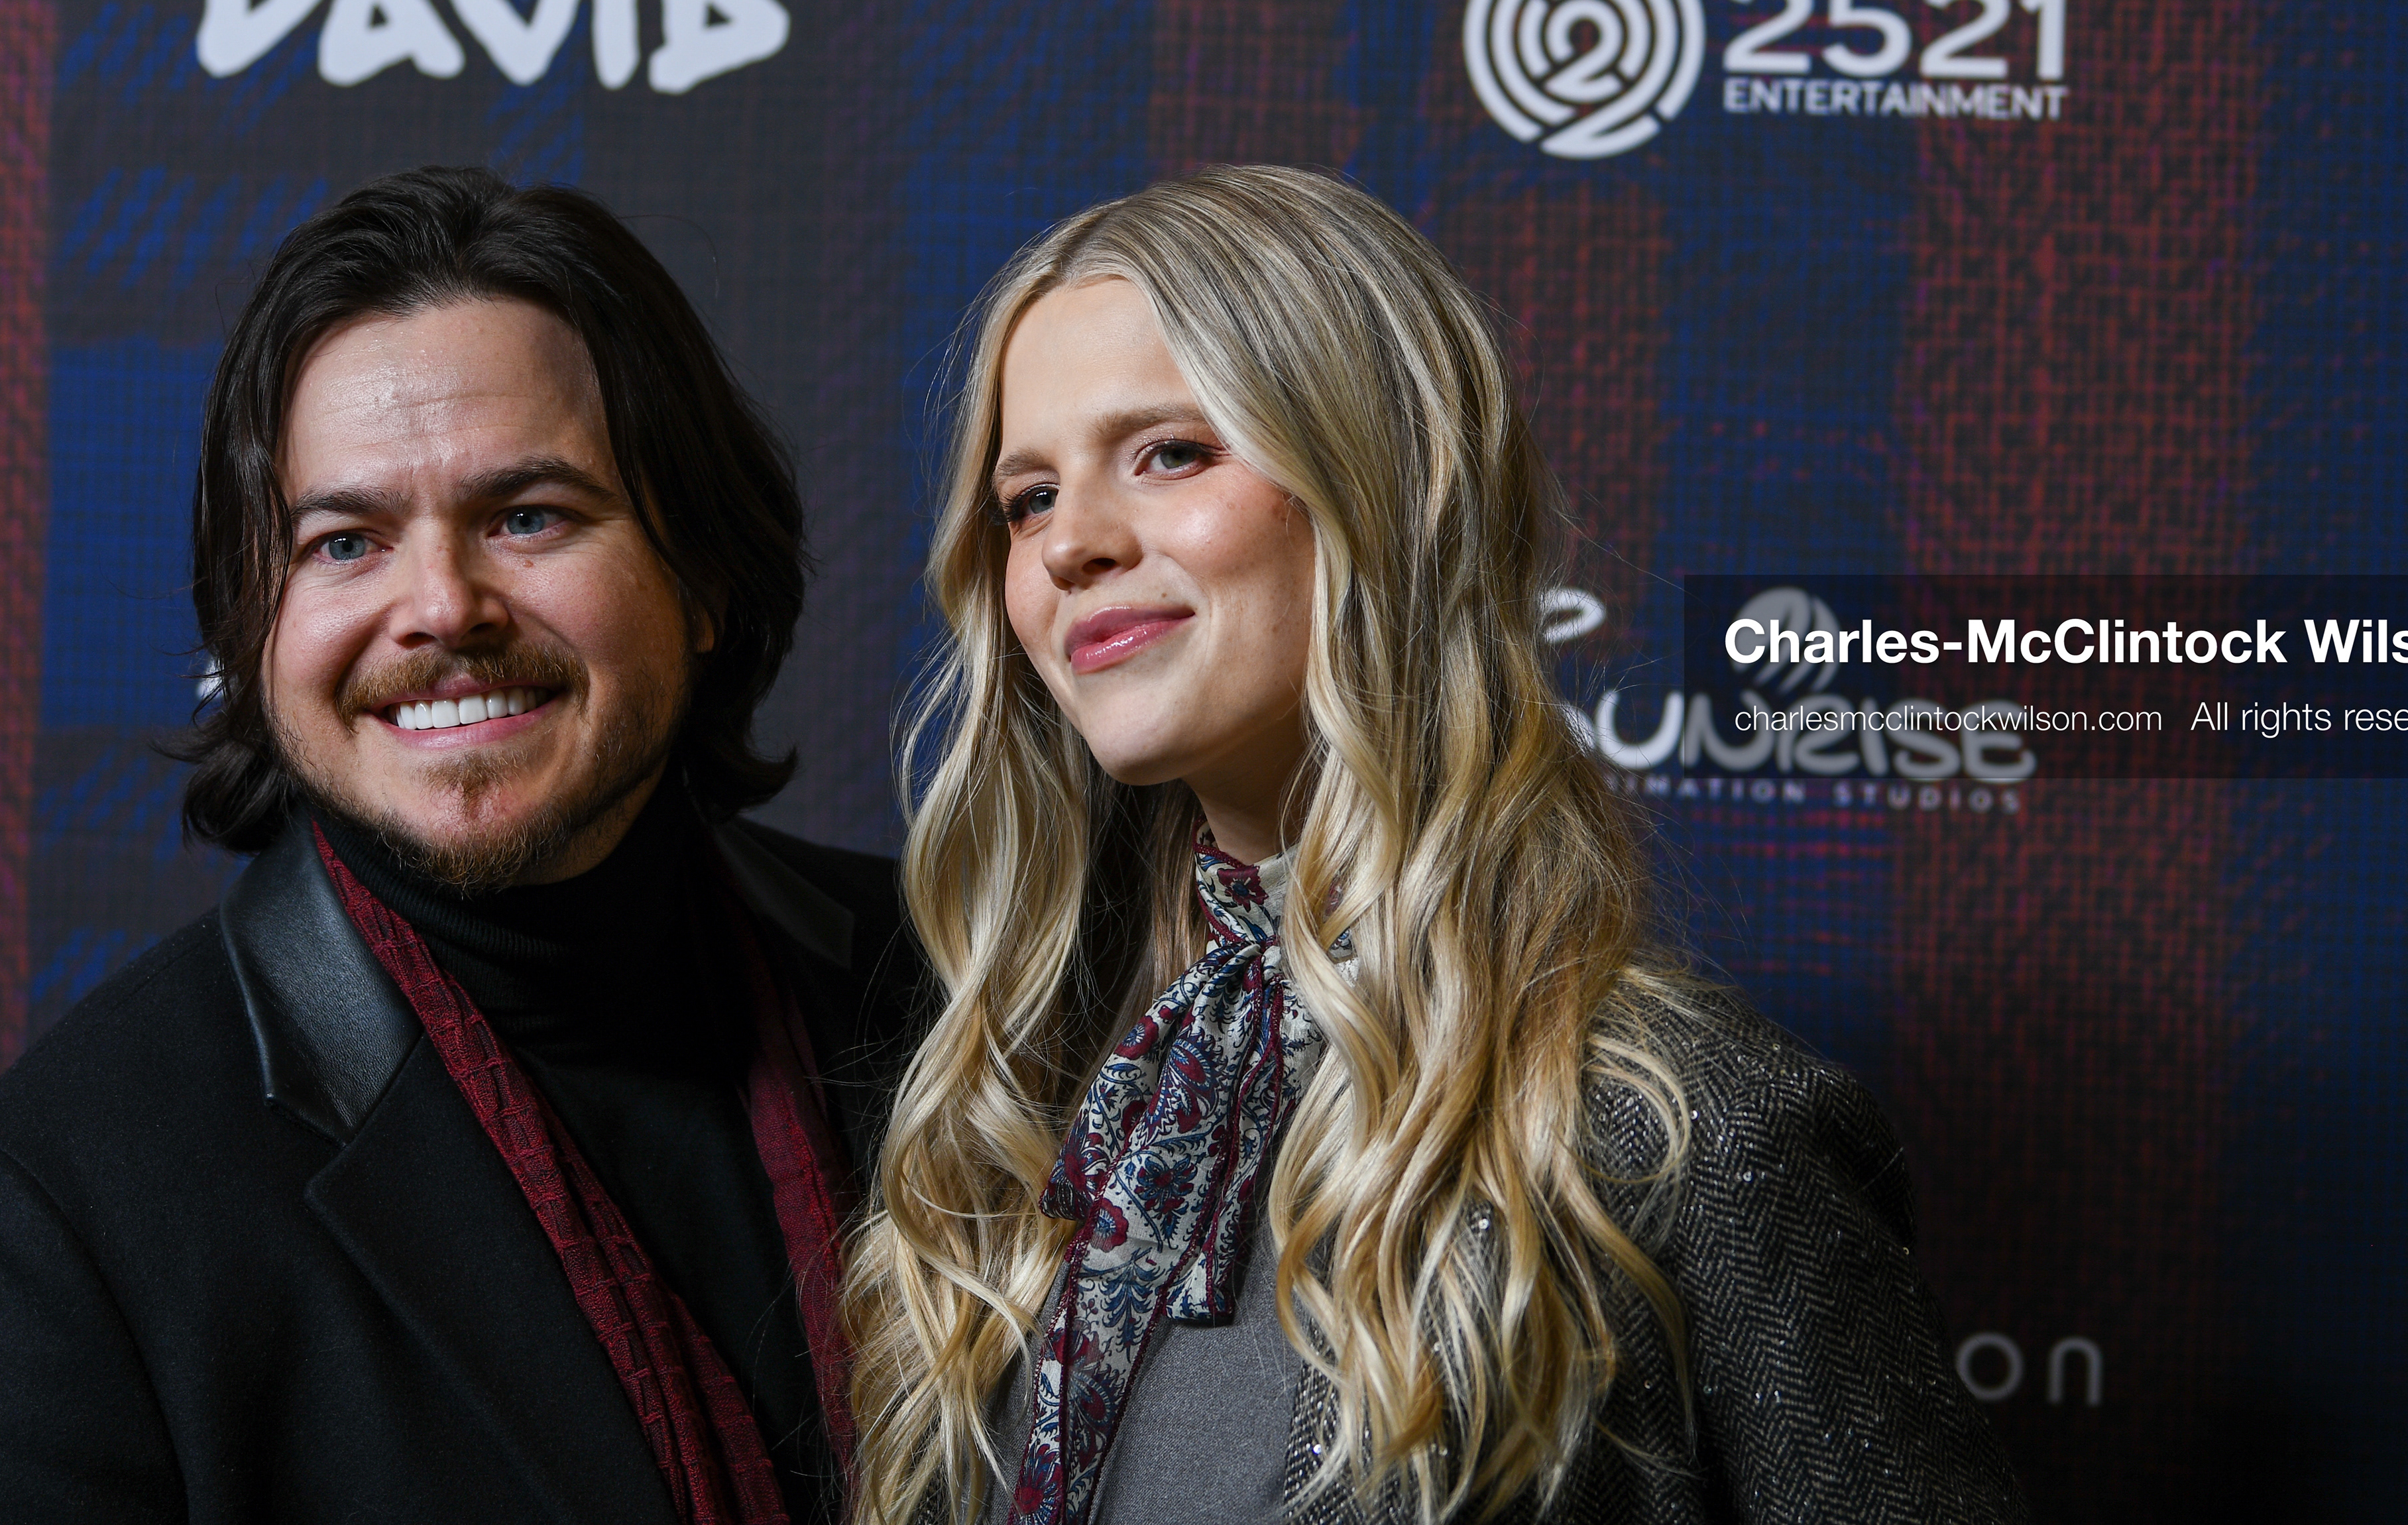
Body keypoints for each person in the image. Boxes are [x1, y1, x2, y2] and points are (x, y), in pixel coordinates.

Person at [844, 165, 2028, 1525]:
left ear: (1380, 483)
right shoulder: (1025, 1125)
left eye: (1171, 451)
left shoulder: (1679, 1136)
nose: (1071, 546)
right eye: (1027, 497)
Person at [0, 168, 925, 1524]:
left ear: (704, 573)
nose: (440, 606)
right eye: (345, 540)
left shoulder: (964, 986)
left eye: (528, 515)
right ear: (257, 627)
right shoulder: (69, 1204)